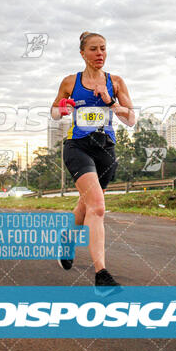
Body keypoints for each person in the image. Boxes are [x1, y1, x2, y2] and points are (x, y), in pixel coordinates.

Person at [51, 32, 135, 292]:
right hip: (78, 147)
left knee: (86, 206)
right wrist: (62, 108)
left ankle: (66, 239)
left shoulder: (116, 82)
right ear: (82, 53)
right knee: (97, 207)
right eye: (94, 49)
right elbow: (54, 112)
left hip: (106, 150)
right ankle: (102, 275)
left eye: (103, 49)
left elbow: (131, 119)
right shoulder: (70, 81)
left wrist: (110, 102)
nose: (100, 54)